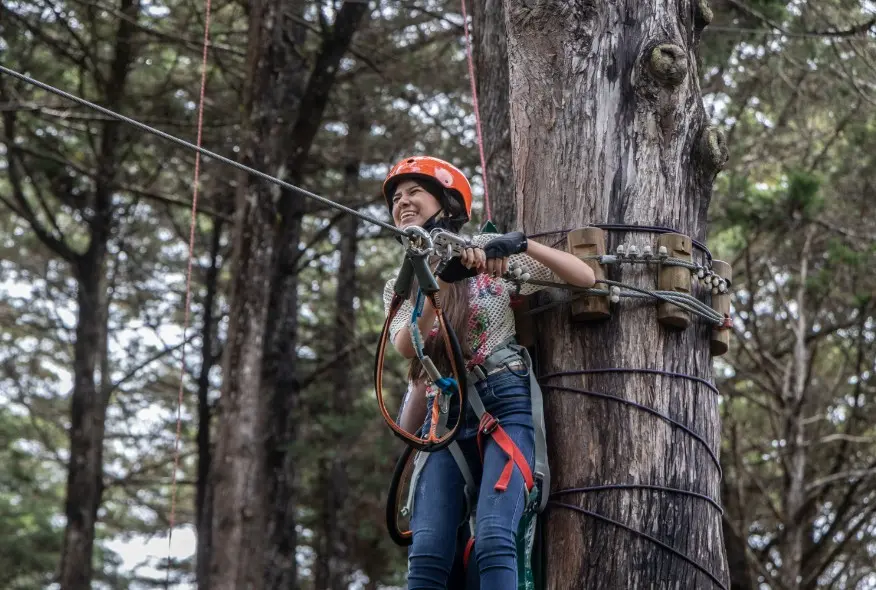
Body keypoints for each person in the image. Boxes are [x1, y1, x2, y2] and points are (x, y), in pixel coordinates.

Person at [381, 156, 595, 590]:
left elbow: (584, 278)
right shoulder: (402, 282)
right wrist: (437, 277)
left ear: (446, 202)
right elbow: (408, 344)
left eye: (414, 193)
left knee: (496, 539)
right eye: (396, 197)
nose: (402, 202)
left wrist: (520, 246)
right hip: (444, 417)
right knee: (426, 554)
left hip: (502, 401)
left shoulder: (485, 255)